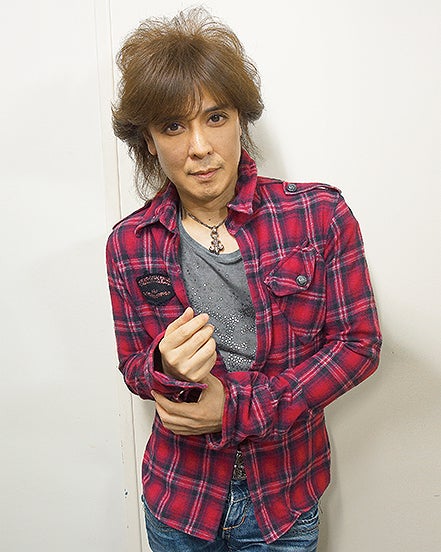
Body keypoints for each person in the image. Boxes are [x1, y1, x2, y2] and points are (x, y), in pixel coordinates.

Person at [106, 8, 382, 551]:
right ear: (149, 141)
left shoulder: (318, 215)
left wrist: (238, 409)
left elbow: (359, 344)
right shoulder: (129, 243)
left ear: (240, 120)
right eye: (172, 126)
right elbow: (133, 368)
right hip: (179, 499)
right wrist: (163, 367)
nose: (199, 147)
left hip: (283, 497)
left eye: (215, 117)